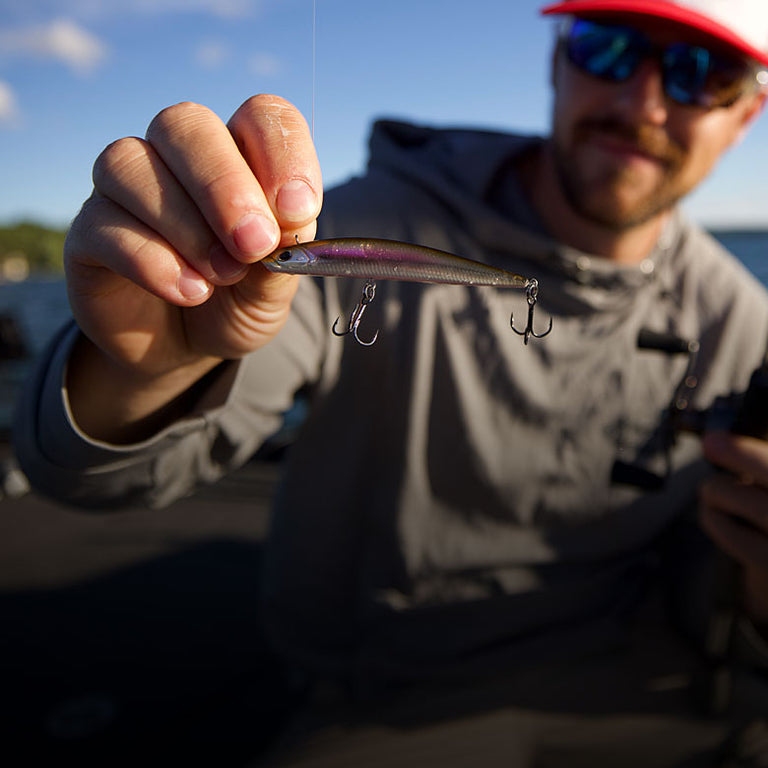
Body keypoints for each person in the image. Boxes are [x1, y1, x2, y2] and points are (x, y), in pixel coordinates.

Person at [13, 0, 768, 764]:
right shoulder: (347, 219)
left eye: (703, 73)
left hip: (643, 693)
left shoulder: (742, 322)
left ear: (747, 115)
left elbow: (708, 588)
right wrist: (149, 365)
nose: (643, 102)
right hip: (389, 703)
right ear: (556, 59)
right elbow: (100, 481)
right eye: (608, 48)